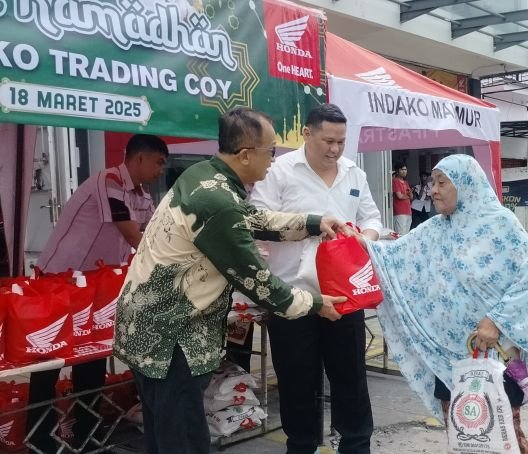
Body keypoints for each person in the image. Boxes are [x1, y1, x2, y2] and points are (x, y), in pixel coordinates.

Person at [113, 107, 349, 454]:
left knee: (164, 435)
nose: (274, 159)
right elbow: (260, 282)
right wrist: (316, 303)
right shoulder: (217, 202)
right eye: (270, 150)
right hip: (171, 338)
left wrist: (314, 222)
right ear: (244, 154)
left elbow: (253, 219)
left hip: (148, 328)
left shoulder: (205, 176)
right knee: (184, 441)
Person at [363, 154, 528, 454]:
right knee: (466, 437)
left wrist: (495, 321)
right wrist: (354, 238)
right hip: (451, 359)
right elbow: (392, 257)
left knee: (504, 437)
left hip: (497, 355)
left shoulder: (500, 224)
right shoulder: (436, 228)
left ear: (467, 185)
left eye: (443, 183)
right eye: (432, 183)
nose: (434, 190)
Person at [251, 104, 382, 454]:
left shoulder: (354, 173)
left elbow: (373, 218)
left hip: (345, 298)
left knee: (351, 380)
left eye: (341, 142)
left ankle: (356, 446)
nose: (335, 150)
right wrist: (310, 228)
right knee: (297, 384)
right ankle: (302, 446)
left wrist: (363, 237)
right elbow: (259, 223)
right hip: (295, 299)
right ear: (306, 134)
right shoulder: (279, 172)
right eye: (328, 141)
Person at [27, 134, 168, 453]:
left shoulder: (142, 195)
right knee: (49, 359)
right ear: (140, 158)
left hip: (94, 285)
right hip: (59, 279)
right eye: (159, 163)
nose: (161, 171)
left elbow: (157, 231)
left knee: (90, 357)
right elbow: (135, 236)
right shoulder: (111, 180)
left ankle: (86, 434)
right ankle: (40, 438)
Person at [392, 162, 413, 234]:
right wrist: (408, 195)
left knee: (406, 233)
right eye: (402, 169)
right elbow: (399, 196)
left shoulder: (405, 182)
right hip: (399, 211)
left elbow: (411, 196)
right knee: (400, 234)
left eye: (405, 169)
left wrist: (408, 195)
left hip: (408, 211)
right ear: (397, 171)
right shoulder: (395, 181)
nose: (404, 171)